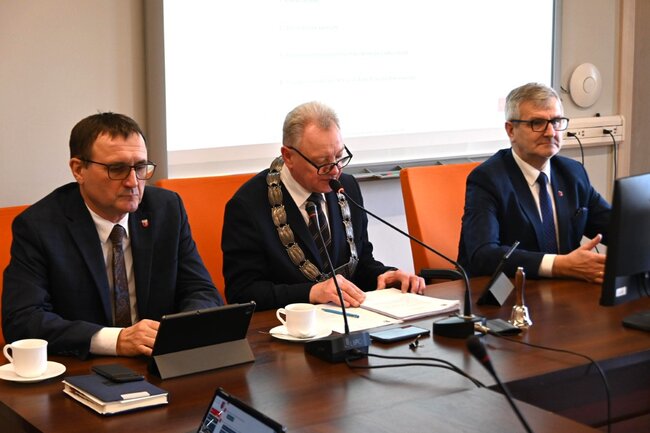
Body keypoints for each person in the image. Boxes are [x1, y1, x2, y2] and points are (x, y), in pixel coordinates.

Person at [2, 113, 222, 359]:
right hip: (82, 366)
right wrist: (115, 340)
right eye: (117, 169)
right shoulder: (39, 226)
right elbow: (23, 319)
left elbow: (202, 291)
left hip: (157, 358)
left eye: (140, 167)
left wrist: (176, 332)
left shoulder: (166, 209)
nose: (133, 182)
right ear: (78, 170)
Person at [222, 101, 424, 310]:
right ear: (288, 156)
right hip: (290, 324)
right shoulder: (247, 206)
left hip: (350, 321)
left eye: (339, 156)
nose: (335, 170)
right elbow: (243, 292)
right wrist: (310, 293)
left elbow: (359, 264)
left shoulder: (347, 187)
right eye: (322, 162)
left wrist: (386, 275)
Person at [458, 82, 611, 283]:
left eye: (556, 121)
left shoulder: (572, 173)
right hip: (509, 292)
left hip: (566, 289)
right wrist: (558, 265)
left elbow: (615, 228)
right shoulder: (488, 179)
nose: (550, 132)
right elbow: (483, 255)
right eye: (537, 123)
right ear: (511, 130)